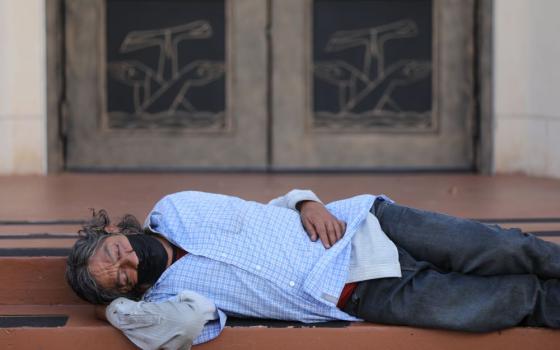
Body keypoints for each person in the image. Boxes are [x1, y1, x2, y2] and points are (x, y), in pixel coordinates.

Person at [66, 189, 560, 349]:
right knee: (501, 305)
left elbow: (260, 206)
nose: (129, 262)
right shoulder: (163, 304)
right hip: (357, 292)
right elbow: (192, 324)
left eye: (115, 255)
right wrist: (118, 311)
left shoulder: (175, 208)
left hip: (366, 224)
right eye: (122, 280)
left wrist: (305, 200)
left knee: (506, 249)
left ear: (110, 231)